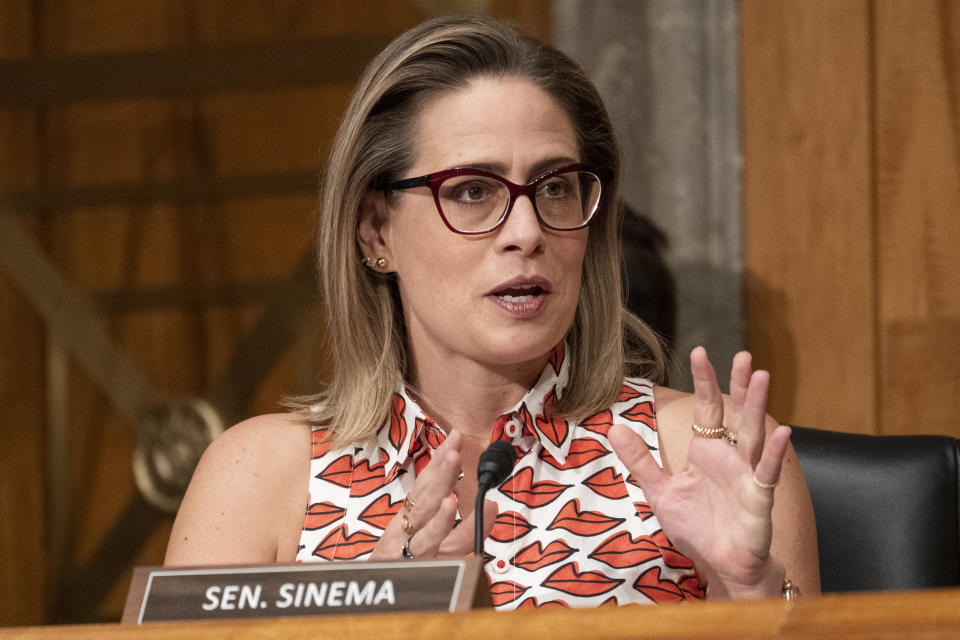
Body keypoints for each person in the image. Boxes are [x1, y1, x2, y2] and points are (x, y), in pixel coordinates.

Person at [164, 15, 820, 608]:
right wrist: (369, 627)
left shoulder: (702, 451)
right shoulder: (259, 477)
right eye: (474, 191)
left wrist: (750, 588)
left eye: (556, 187)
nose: (527, 230)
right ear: (375, 230)